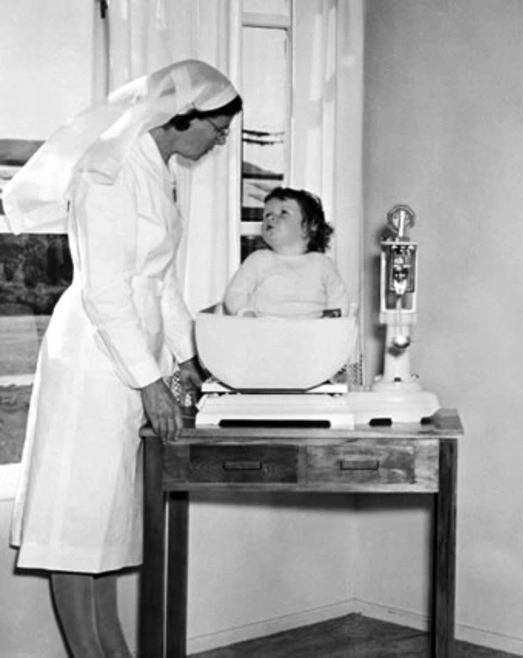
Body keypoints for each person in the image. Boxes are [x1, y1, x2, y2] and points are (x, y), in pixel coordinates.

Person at [3, 59, 242, 657]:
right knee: (75, 522)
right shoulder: (105, 170)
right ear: (182, 116)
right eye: (217, 127)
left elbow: (162, 285)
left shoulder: (157, 171)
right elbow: (106, 292)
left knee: (107, 524)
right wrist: (150, 385)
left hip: (134, 353)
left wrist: (190, 362)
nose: (221, 139)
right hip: (94, 356)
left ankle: (113, 650)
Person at [223, 187, 348, 319]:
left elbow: (339, 299)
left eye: (283, 212)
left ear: (311, 225)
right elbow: (235, 294)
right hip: (264, 331)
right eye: (267, 215)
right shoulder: (258, 260)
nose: (270, 218)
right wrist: (244, 312)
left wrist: (331, 323)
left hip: (311, 332)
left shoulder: (323, 264)